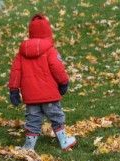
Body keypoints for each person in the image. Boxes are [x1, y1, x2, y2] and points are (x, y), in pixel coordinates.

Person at [8, 13, 76, 151]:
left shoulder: (22, 53)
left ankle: (28, 147)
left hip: (31, 97)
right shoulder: (50, 50)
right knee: (56, 116)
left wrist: (14, 90)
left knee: (32, 120)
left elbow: (15, 72)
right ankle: (63, 141)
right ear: (48, 32)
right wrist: (63, 83)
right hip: (49, 94)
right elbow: (57, 68)